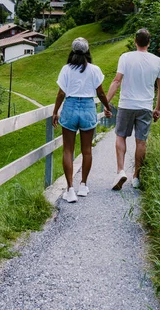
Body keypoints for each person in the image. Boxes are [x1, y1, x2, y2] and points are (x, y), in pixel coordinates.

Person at [52, 37, 112, 203]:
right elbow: (100, 93)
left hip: (70, 107)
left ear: (72, 51)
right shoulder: (94, 69)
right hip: (87, 108)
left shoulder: (66, 69)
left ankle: (70, 189)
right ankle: (83, 185)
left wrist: (55, 111)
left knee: (68, 150)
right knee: (86, 150)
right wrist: (107, 107)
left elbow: (61, 94)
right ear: (87, 52)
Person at [106, 28, 160, 190]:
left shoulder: (126, 57)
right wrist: (158, 109)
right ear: (149, 42)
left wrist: (106, 102)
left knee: (120, 136)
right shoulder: (157, 61)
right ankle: (136, 177)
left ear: (135, 41)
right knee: (141, 141)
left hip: (126, 105)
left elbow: (117, 81)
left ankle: (120, 171)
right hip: (145, 107)